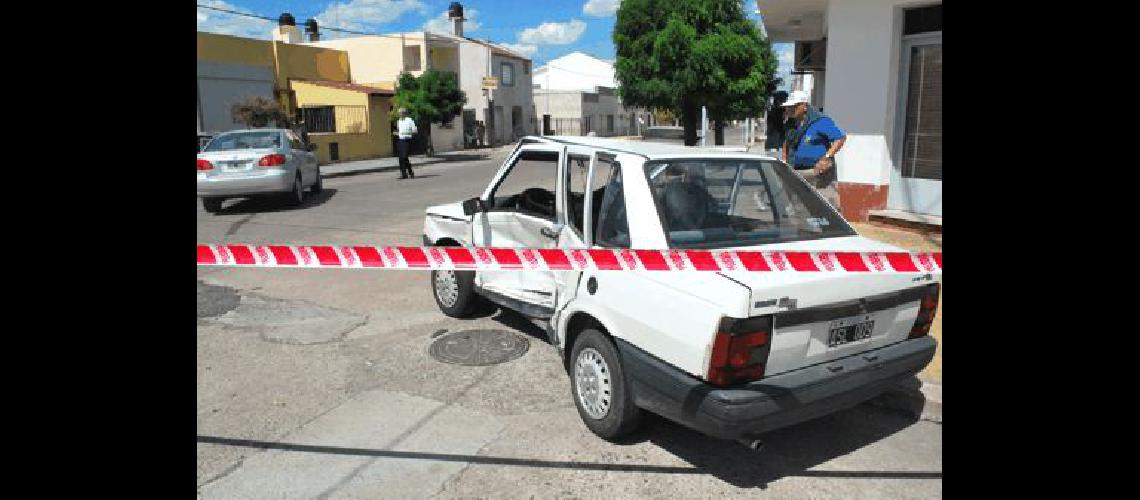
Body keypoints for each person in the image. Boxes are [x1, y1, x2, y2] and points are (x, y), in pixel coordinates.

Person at [782, 90, 846, 211]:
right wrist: (784, 161)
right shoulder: (790, 124)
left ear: (804, 106)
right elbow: (786, 142)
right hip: (797, 172)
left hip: (819, 173)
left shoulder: (821, 121)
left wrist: (826, 157)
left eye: (793, 106)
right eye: (788, 107)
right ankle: (803, 230)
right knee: (800, 209)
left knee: (827, 208)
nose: (789, 109)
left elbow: (840, 138)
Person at [394, 108, 417, 179]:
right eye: (399, 113)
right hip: (400, 140)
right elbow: (398, 131)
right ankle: (404, 174)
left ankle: (410, 171)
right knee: (401, 158)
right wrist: (396, 133)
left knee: (404, 157)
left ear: (404, 113)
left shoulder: (410, 120)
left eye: (400, 113)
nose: (399, 114)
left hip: (407, 140)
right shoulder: (398, 121)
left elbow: (415, 131)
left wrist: (404, 133)